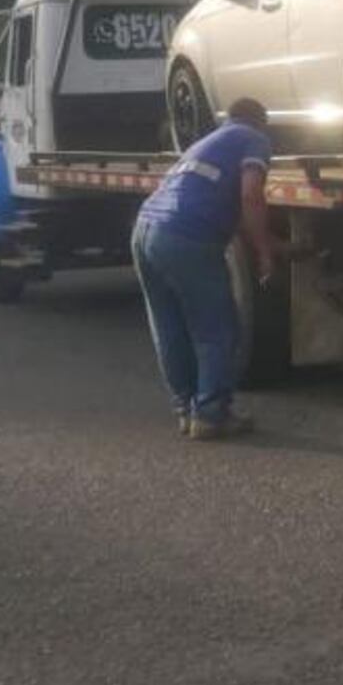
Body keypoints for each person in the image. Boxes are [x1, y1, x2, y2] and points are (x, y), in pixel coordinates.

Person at [131, 98, 276, 439]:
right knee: (216, 328)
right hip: (186, 237)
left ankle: (186, 409)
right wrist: (265, 252)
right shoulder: (253, 138)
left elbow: (226, 208)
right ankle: (212, 413)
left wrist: (272, 243)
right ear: (261, 121)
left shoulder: (206, 143)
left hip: (146, 229)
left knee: (169, 326)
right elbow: (251, 196)